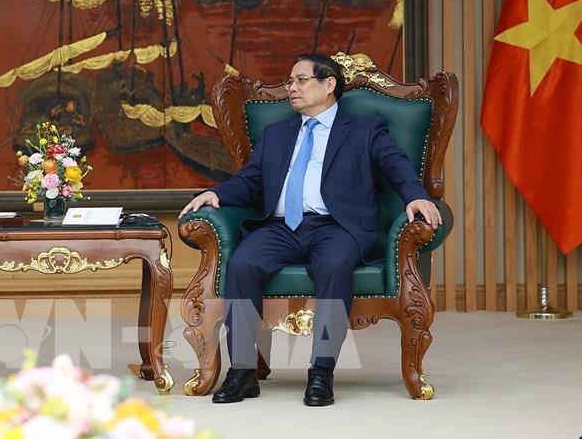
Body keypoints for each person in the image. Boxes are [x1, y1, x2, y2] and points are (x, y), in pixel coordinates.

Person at [179, 52, 441, 406]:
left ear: (329, 84)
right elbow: (250, 180)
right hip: (281, 227)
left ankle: (321, 371)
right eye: (290, 81)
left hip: (337, 226)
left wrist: (416, 196)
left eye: (301, 80)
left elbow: (396, 164)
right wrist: (217, 194)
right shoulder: (277, 134)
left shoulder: (364, 129)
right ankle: (242, 372)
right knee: (242, 264)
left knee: (334, 265)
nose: (292, 87)